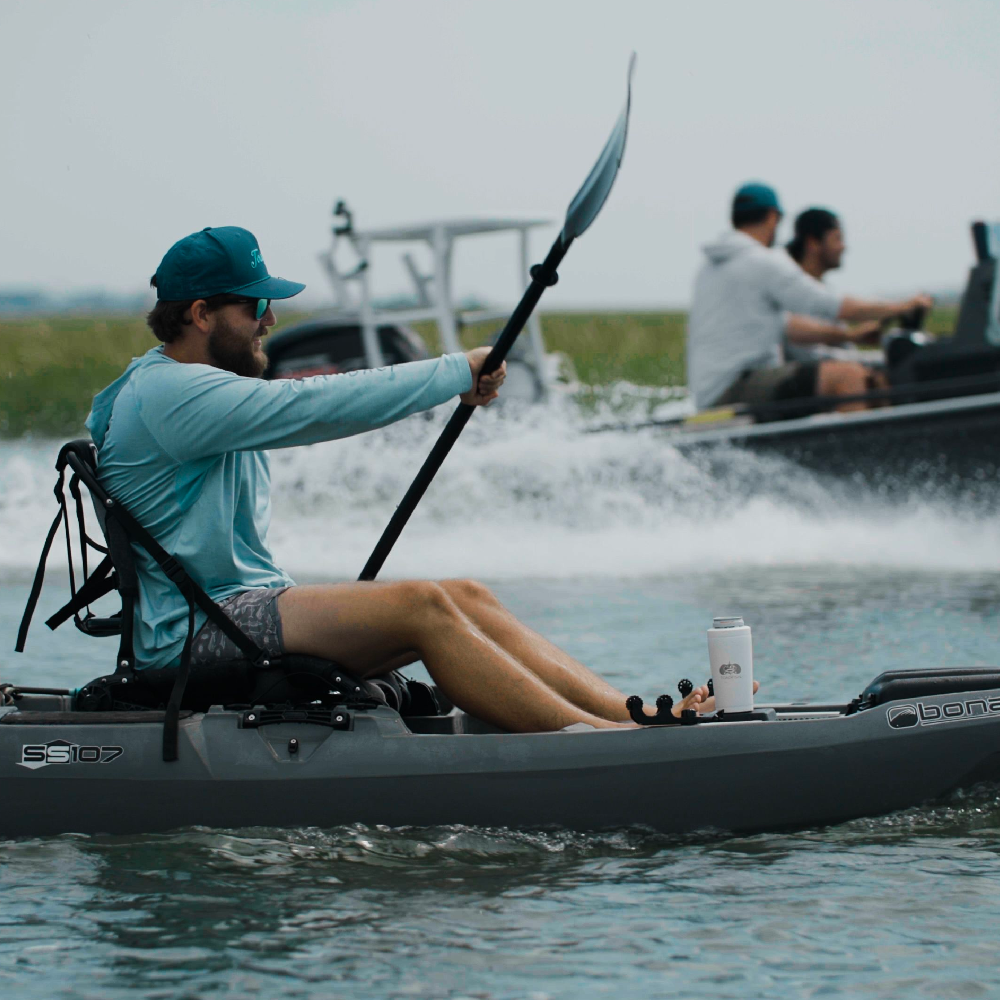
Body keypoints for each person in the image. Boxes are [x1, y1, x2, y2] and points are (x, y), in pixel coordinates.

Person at [86, 226, 726, 733]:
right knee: (420, 605)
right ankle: (593, 744)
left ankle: (630, 716)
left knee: (465, 595)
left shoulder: (193, 391)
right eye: (258, 305)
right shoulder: (168, 394)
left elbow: (304, 403)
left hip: (240, 613)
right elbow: (312, 407)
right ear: (201, 314)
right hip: (195, 636)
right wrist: (453, 371)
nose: (271, 320)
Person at [686, 183, 933, 413]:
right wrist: (903, 306)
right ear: (773, 217)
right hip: (733, 386)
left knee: (876, 380)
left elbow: (788, 327)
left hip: (714, 389)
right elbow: (832, 305)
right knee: (849, 377)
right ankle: (861, 459)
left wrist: (850, 336)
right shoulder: (760, 261)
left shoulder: (710, 268)